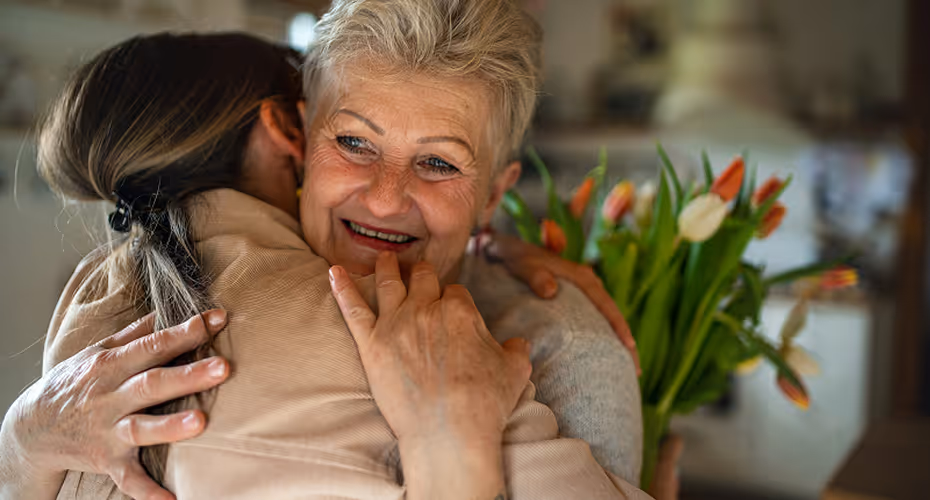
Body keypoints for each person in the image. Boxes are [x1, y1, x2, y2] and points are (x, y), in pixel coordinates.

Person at [1, 3, 646, 498]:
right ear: (297, 138)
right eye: (356, 144)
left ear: (494, 194)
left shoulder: (564, 343)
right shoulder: (135, 312)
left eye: (438, 163)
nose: (388, 199)